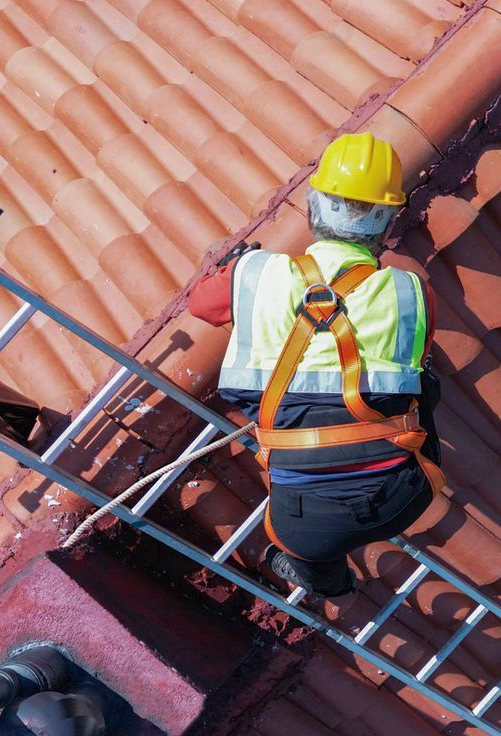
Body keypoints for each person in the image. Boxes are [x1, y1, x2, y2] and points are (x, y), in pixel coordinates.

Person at [187, 132, 443, 598]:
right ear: (387, 221)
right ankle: (323, 568)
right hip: (410, 491)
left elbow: (200, 304)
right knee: (424, 386)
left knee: (307, 549)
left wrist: (235, 268)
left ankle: (334, 586)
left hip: (308, 524)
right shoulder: (413, 291)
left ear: (313, 205)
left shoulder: (259, 274)